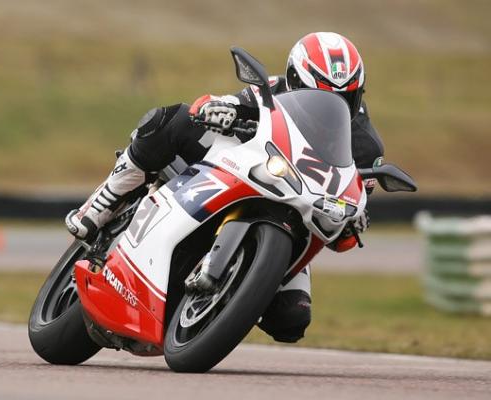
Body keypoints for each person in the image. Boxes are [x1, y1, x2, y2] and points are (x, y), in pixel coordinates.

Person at [65, 32, 384, 343]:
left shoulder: (366, 146)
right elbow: (216, 103)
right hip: (246, 168)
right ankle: (101, 203)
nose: (331, 104)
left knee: (291, 320)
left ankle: (233, 294)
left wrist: (352, 221)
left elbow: (347, 218)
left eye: (344, 96)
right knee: (170, 120)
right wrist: (216, 110)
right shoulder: (273, 90)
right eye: (319, 93)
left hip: (296, 215)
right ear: (294, 80)